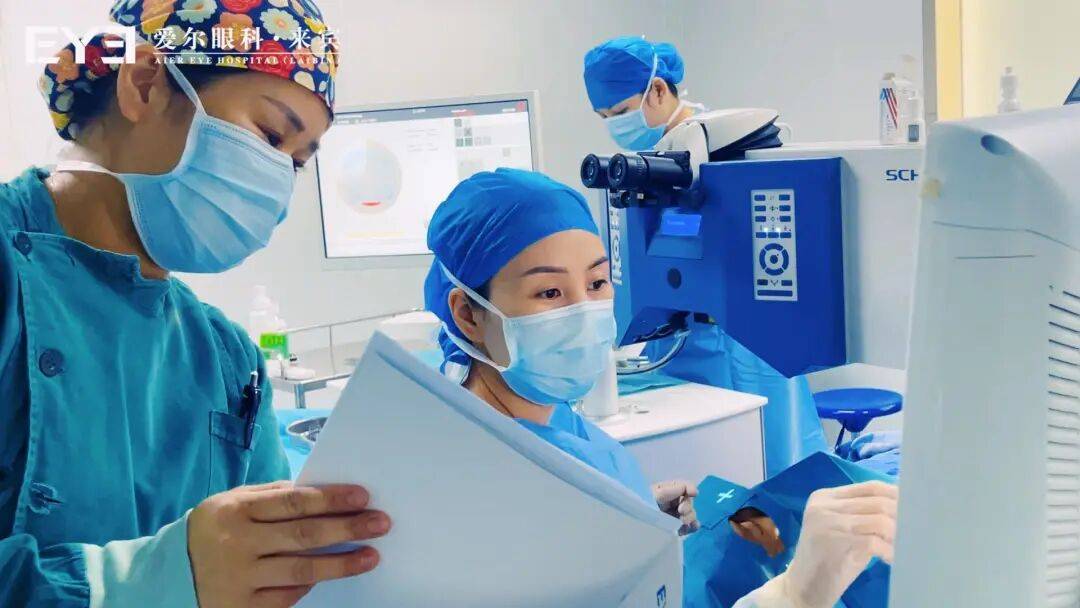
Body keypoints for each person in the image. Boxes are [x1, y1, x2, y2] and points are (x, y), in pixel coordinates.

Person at [0, 2, 391, 606]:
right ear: (144, 83)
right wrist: (136, 582)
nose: (277, 180)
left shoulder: (227, 359)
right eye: (270, 135)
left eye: (294, 162)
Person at [423, 168, 897, 608]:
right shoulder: (484, 493)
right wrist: (797, 594)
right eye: (550, 292)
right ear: (468, 314)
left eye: (597, 282)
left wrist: (633, 516)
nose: (585, 310)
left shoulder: (544, 416)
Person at [583, 36, 699, 151]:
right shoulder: (655, 152)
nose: (616, 127)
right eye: (603, 116)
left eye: (621, 111)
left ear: (658, 90)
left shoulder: (706, 147)